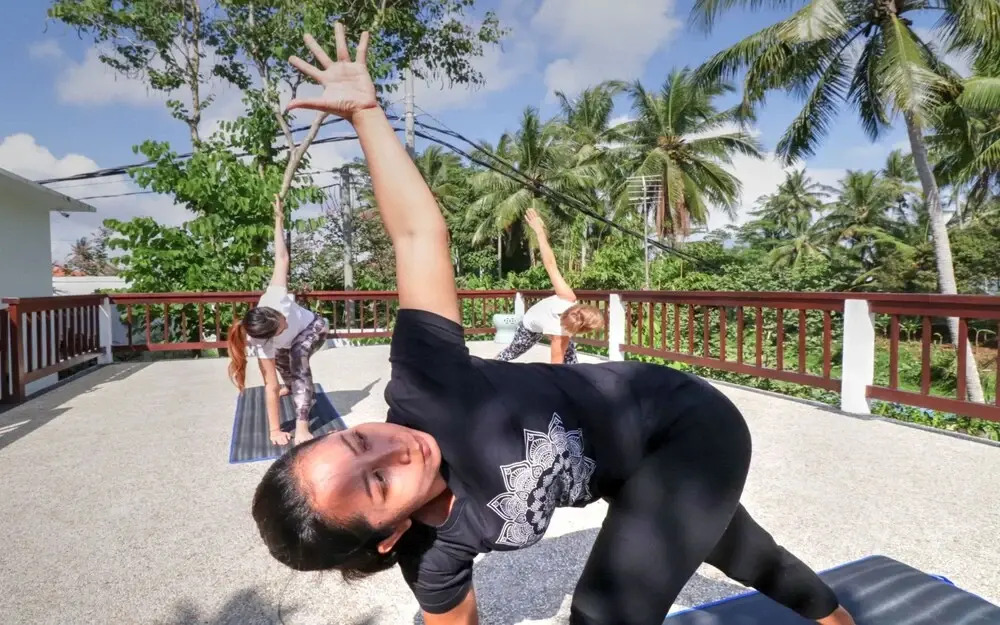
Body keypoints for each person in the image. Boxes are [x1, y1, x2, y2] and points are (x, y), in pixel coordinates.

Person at [250, 24, 858, 625]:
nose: (395, 449)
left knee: (603, 615)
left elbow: (416, 236)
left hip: (682, 422)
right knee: (743, 552)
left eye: (359, 440)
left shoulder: (427, 385)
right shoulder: (432, 557)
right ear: (389, 536)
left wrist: (366, 115)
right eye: (380, 483)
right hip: (631, 475)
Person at [227, 196, 329, 446]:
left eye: (282, 319)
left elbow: (281, 258)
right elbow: (269, 386)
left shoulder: (275, 297)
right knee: (284, 367)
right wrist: (274, 430)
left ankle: (303, 422)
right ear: (269, 336)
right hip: (284, 345)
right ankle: (294, 388)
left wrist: (278, 220)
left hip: (315, 327)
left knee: (298, 355)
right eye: (282, 326)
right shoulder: (261, 343)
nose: (285, 322)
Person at [496, 208, 604, 364]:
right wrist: (539, 231)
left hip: (554, 325)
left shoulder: (567, 298)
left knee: (571, 361)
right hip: (530, 325)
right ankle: (490, 366)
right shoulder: (561, 332)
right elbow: (556, 367)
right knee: (512, 352)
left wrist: (539, 231)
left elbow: (551, 264)